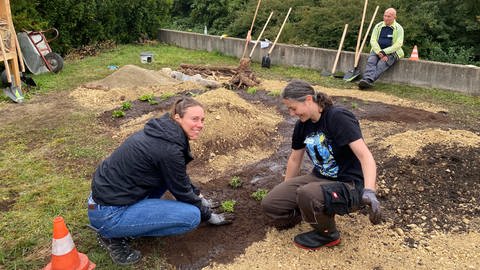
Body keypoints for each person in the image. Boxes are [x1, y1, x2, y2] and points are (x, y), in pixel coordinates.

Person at [87, 97, 233, 265]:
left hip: (101, 202)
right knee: (192, 217)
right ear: (177, 117)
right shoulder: (168, 148)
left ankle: (126, 224)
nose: (200, 125)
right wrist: (208, 215)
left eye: (202, 120)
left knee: (165, 180)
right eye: (194, 119)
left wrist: (200, 198)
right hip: (108, 214)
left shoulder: (164, 133)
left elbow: (177, 177)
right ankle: (113, 235)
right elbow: (182, 190)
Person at [261, 80, 381, 250]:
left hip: (349, 183)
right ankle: (309, 212)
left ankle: (328, 234)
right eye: (289, 109)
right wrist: (287, 191)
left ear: (308, 99)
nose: (291, 113)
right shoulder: (302, 125)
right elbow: (295, 159)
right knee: (272, 204)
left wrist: (369, 190)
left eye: (293, 108)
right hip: (320, 177)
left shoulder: (338, 117)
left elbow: (365, 156)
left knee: (308, 194)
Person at [359, 7, 404, 90]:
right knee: (371, 61)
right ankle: (366, 80)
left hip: (393, 52)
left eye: (389, 16)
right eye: (385, 16)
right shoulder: (378, 26)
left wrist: (385, 52)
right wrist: (379, 52)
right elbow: (373, 40)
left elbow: (398, 44)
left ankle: (367, 80)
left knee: (381, 64)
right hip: (377, 50)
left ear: (394, 17)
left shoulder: (399, 28)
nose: (386, 18)